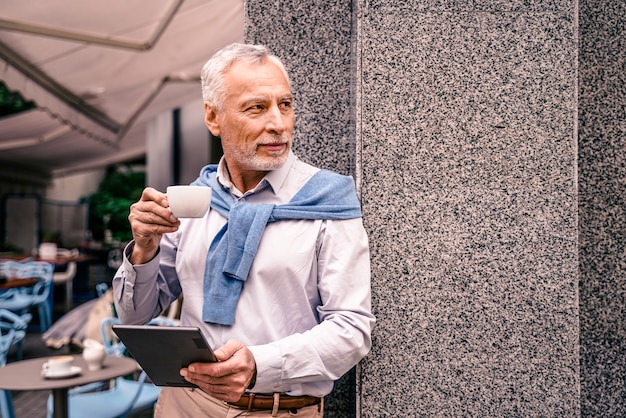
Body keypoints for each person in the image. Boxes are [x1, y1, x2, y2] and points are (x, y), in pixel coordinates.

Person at [112, 43, 374, 417]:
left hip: (280, 411)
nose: (278, 124)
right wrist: (143, 249)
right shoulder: (194, 200)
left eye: (285, 105)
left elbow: (352, 328)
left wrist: (259, 365)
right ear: (213, 117)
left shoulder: (328, 201)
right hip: (183, 404)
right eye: (257, 107)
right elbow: (133, 315)